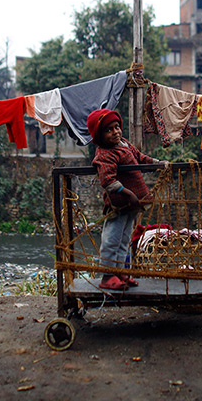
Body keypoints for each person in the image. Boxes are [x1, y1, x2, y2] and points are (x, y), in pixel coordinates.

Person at [87, 109, 164, 290]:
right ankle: (107, 276)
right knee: (111, 240)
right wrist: (128, 193)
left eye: (117, 127)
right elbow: (107, 180)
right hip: (120, 205)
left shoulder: (124, 144)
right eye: (109, 130)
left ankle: (120, 272)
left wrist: (157, 163)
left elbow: (139, 157)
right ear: (99, 135)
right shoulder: (105, 154)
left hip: (133, 205)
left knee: (124, 240)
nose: (115, 132)